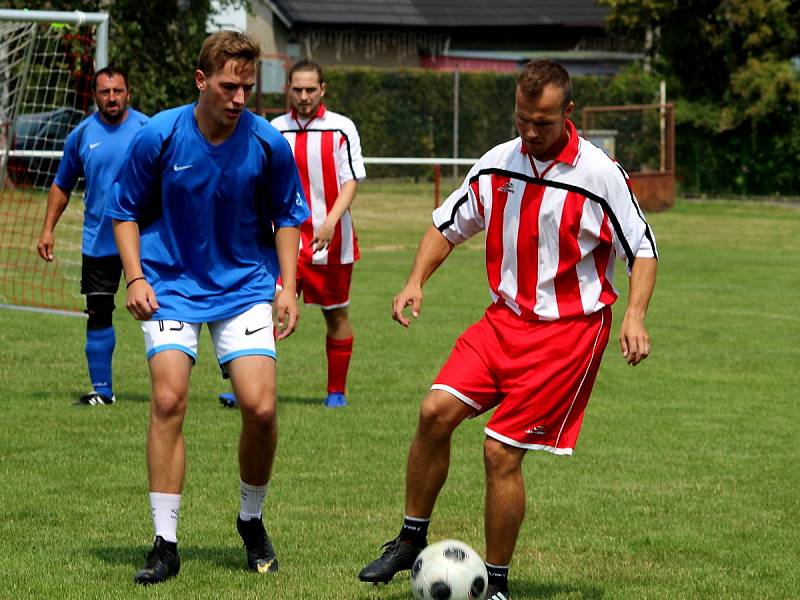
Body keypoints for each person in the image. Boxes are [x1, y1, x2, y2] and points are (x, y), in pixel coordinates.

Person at [357, 59, 659, 600]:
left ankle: (494, 586)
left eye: (541, 122)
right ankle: (408, 541)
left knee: (500, 453)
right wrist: (414, 281)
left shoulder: (599, 174)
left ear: (568, 113)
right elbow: (447, 225)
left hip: (568, 334)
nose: (529, 132)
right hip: (503, 322)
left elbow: (642, 247)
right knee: (433, 413)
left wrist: (634, 314)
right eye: (521, 119)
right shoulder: (499, 162)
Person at [104, 31, 310, 585]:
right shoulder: (160, 135)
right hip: (170, 284)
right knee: (169, 399)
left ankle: (250, 520)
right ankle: (165, 543)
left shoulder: (268, 143)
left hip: (244, 285)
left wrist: (287, 286)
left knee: (261, 409)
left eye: (247, 86)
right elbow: (123, 211)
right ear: (202, 81)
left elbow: (288, 216)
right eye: (228, 86)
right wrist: (136, 277)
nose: (240, 97)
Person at [219, 58, 366, 409]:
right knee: (262, 310)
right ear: (288, 88)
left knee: (336, 314)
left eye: (310, 90)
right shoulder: (273, 129)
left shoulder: (341, 128)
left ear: (323, 89)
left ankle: (336, 392)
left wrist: (330, 220)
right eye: (297, 89)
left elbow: (350, 181)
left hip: (331, 242)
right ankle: (249, 389)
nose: (303, 96)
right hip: (282, 240)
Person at [36, 67, 148, 406]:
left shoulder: (148, 130)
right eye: (104, 92)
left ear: (128, 93)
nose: (111, 98)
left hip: (146, 242)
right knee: (98, 312)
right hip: (98, 242)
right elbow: (62, 185)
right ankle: (102, 391)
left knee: (161, 314)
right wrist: (47, 229)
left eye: (117, 91)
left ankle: (168, 392)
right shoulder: (82, 134)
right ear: (94, 96)